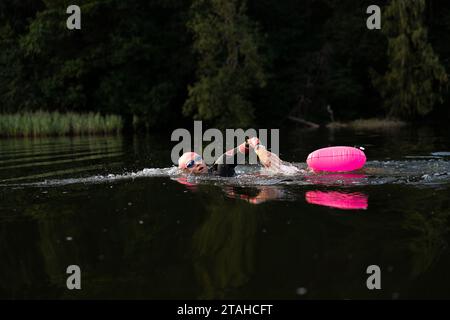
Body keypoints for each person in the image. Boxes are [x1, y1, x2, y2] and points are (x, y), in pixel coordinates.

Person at [178, 137, 285, 177]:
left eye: (198, 159)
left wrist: (259, 149)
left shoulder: (221, 166)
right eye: (191, 164)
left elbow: (250, 141)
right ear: (185, 171)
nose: (197, 164)